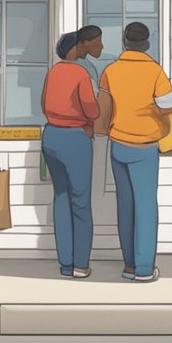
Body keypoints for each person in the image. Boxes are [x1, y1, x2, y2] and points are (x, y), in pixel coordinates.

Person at [94, 21, 172, 283]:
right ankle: (143, 269)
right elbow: (168, 104)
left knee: (125, 205)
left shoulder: (111, 70)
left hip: (118, 144)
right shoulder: (154, 71)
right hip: (145, 147)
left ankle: (128, 264)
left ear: (124, 42)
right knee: (146, 207)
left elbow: (103, 109)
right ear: (147, 43)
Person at [41, 31, 100, 278]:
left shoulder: (53, 71)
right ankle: (81, 264)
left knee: (62, 198)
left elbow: (44, 104)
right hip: (75, 138)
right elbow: (92, 109)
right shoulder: (80, 73)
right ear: (74, 48)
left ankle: (65, 262)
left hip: (51, 136)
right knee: (81, 202)